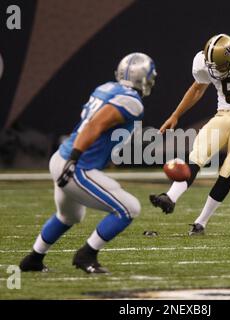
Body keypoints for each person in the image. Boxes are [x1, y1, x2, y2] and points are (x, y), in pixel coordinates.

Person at [19, 53, 157, 273]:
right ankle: (86, 255)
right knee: (129, 208)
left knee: (69, 216)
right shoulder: (132, 102)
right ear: (144, 78)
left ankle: (33, 260)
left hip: (61, 158)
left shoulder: (106, 88)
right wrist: (75, 159)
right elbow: (94, 126)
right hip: (76, 164)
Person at [150, 34, 230, 235]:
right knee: (196, 156)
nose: (217, 70)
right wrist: (175, 115)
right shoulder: (203, 61)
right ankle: (170, 197)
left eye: (222, 65)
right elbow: (197, 88)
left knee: (227, 170)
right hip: (223, 115)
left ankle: (201, 222)